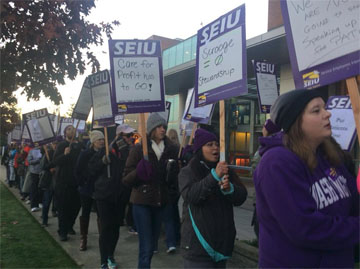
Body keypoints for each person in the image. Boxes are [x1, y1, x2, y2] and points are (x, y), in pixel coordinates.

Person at [254, 89, 360, 268]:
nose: (328, 114)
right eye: (316, 110)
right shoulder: (276, 163)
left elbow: (353, 204)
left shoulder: (328, 154)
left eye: (324, 108)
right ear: (296, 122)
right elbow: (306, 228)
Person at [178, 128, 248, 268]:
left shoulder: (225, 169)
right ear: (200, 148)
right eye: (209, 144)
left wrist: (230, 190)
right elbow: (192, 196)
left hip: (221, 246)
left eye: (217, 144)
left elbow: (242, 196)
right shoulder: (188, 171)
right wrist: (214, 176)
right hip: (198, 247)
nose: (215, 147)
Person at [123, 112, 179, 269]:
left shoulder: (172, 149)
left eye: (164, 126)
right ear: (152, 129)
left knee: (153, 245)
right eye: (159, 126)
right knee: (146, 247)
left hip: (161, 202)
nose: (163, 129)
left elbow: (175, 178)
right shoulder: (139, 149)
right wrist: (138, 172)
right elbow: (126, 178)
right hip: (142, 202)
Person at [88, 130, 129, 269]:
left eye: (128, 136)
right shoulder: (104, 151)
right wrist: (102, 161)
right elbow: (91, 170)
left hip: (119, 196)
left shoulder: (125, 151)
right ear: (117, 136)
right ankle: (103, 260)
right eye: (125, 136)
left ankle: (110, 255)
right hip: (104, 196)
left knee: (115, 228)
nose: (127, 139)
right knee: (106, 228)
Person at [250, 119, 280, 238]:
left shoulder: (266, 149)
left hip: (265, 199)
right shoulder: (266, 147)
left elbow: (255, 170)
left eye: (264, 126)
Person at [75, 130, 105, 251]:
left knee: (100, 214)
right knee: (85, 213)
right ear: (93, 142)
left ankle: (102, 239)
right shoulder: (85, 154)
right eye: (99, 139)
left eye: (103, 139)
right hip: (87, 189)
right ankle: (83, 238)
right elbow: (77, 171)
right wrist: (82, 183)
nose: (102, 141)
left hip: (100, 189)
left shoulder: (105, 153)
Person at [53, 125, 82, 241]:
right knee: (64, 208)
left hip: (76, 181)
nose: (72, 130)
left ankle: (70, 225)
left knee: (75, 207)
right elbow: (55, 161)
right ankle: (62, 231)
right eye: (69, 129)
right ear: (65, 132)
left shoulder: (79, 145)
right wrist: (64, 154)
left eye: (73, 129)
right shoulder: (62, 145)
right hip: (64, 181)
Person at [113, 124, 136, 235]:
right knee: (124, 200)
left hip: (126, 177)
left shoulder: (127, 145)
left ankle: (124, 220)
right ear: (121, 136)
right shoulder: (118, 145)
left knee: (127, 200)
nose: (132, 137)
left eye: (132, 134)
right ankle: (126, 221)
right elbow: (126, 158)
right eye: (128, 135)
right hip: (121, 178)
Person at [27, 144, 43, 212]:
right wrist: (38, 160)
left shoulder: (43, 150)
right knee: (34, 188)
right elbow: (29, 161)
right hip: (34, 172)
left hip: (42, 172)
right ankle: (34, 205)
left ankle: (40, 202)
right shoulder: (32, 151)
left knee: (41, 188)